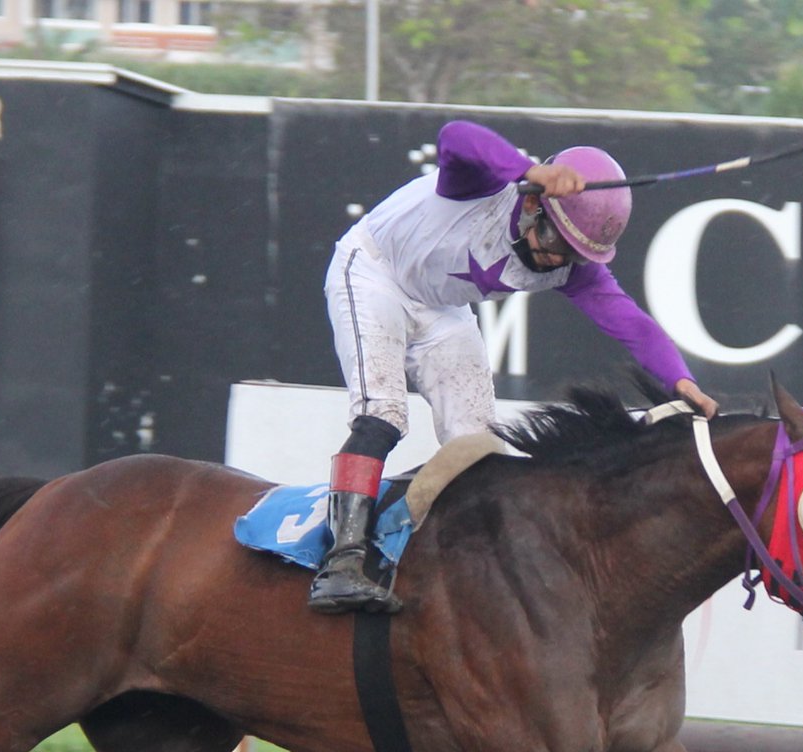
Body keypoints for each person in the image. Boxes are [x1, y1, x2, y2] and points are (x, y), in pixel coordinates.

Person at [308, 119, 718, 615]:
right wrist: (531, 170)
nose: (557, 260)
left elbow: (635, 326)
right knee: (383, 416)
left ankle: (437, 553)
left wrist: (683, 381)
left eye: (574, 253)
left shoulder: (574, 269)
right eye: (556, 240)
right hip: (373, 272)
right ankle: (340, 564)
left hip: (443, 310)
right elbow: (456, 135)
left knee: (477, 444)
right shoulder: (484, 186)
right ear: (531, 202)